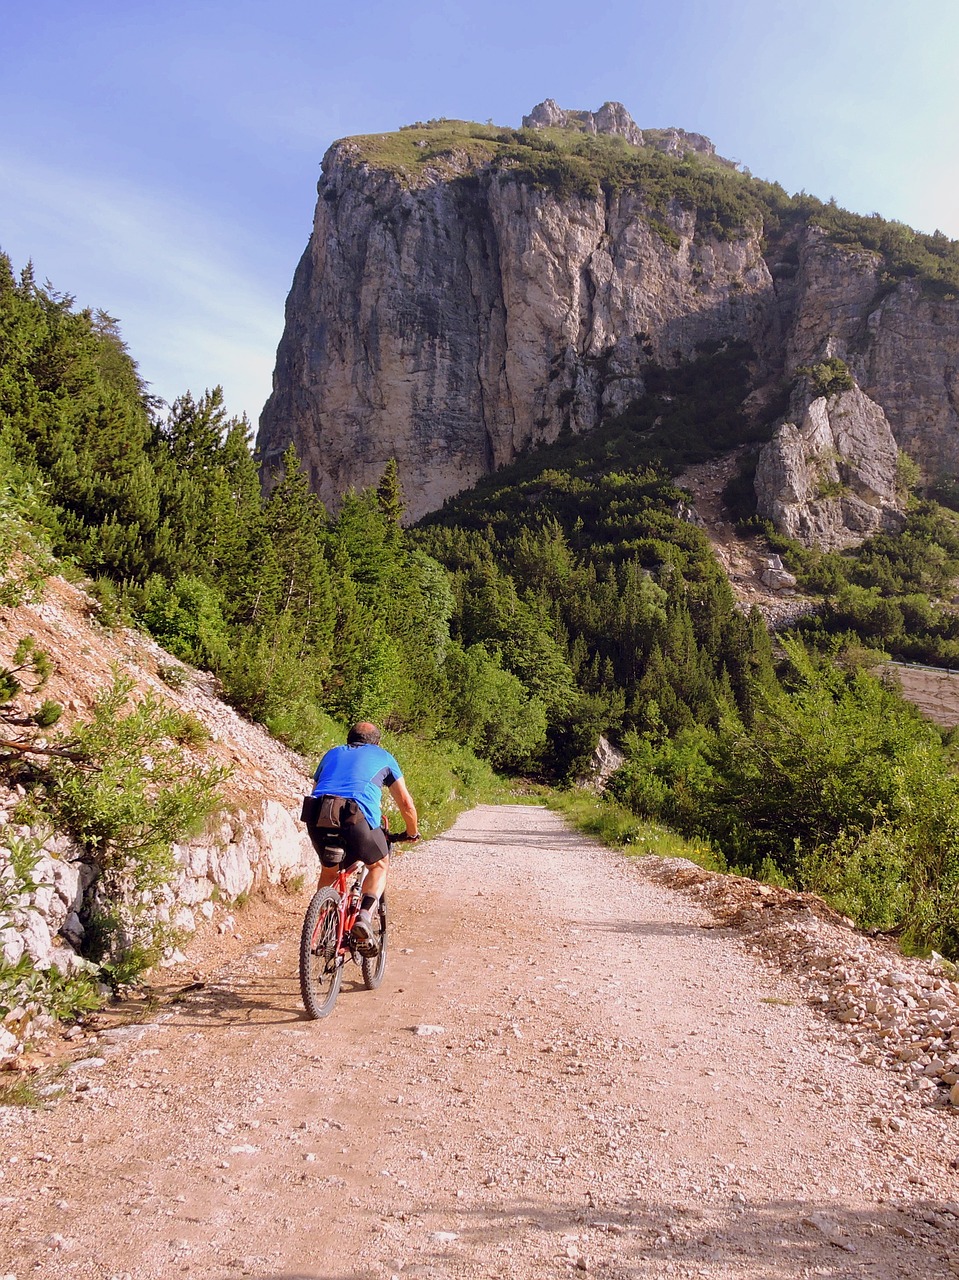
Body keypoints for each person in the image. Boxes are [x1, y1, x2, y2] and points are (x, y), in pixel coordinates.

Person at [304, 721, 418, 953]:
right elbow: (405, 803)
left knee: (330, 871)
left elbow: (316, 786)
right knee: (378, 865)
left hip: (318, 815)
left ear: (349, 738)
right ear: (377, 742)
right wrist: (412, 832)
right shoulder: (384, 757)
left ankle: (323, 925)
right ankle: (364, 918)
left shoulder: (332, 753)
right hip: (354, 817)